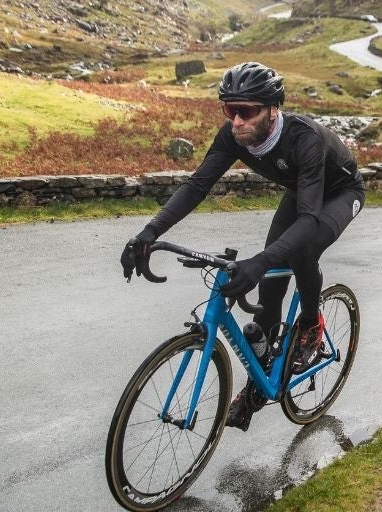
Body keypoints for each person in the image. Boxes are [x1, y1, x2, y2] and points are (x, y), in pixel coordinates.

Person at [120, 62, 365, 431]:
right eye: (229, 110)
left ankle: (312, 322)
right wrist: (148, 233)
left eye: (246, 112)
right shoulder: (233, 135)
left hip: (340, 193)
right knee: (268, 292)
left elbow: (310, 220)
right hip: (303, 192)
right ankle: (257, 387)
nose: (236, 121)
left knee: (299, 249)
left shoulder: (304, 139)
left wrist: (260, 261)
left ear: (272, 109)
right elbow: (197, 185)